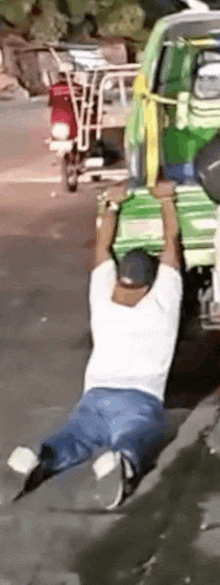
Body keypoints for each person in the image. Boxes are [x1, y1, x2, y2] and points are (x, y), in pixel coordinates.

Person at [5, 179, 183, 510]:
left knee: (72, 438)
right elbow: (171, 244)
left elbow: (102, 248)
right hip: (139, 402)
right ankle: (121, 462)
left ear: (119, 278)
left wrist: (110, 205)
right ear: (149, 282)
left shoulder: (102, 297)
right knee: (138, 437)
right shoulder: (161, 303)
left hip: (95, 398)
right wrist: (166, 200)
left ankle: (38, 459)